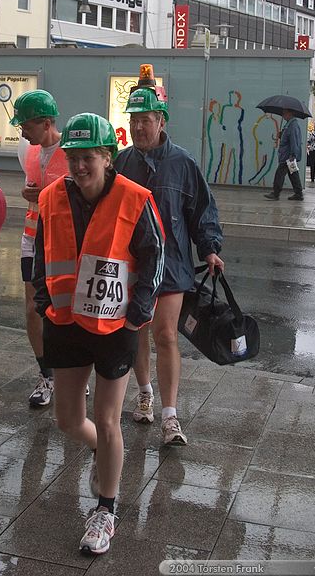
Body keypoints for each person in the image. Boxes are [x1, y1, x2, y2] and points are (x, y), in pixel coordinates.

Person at [34, 113, 164, 555]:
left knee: (108, 419)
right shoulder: (53, 196)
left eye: (88, 157)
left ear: (107, 157)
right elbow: (40, 253)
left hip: (114, 325)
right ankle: (103, 455)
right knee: (69, 420)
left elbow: (153, 258)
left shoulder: (134, 198)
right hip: (66, 321)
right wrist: (41, 302)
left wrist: (137, 315)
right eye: (72, 157)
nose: (78, 166)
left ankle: (106, 510)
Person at [114, 83, 224, 446]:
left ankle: (170, 416)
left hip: (173, 264)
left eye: (144, 120)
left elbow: (202, 211)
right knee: (135, 331)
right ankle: (144, 392)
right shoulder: (123, 162)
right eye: (133, 120)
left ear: (161, 122)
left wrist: (209, 248)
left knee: (165, 334)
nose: (138, 128)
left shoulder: (183, 163)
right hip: (131, 264)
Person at [10, 89, 69, 408]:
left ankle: (72, 372)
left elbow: (83, 194)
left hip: (62, 242)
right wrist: (29, 192)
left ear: (46, 123)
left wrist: (42, 194)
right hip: (32, 237)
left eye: (27, 126)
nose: (22, 132)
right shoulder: (30, 151)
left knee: (63, 308)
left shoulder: (73, 151)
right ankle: (46, 374)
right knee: (33, 307)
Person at [264, 109, 304, 201]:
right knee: (293, 173)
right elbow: (288, 138)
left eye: (284, 113)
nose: (283, 115)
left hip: (288, 155)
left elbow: (294, 140)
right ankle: (298, 193)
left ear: (290, 113)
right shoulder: (289, 124)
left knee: (280, 173)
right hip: (287, 154)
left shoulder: (293, 125)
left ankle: (276, 193)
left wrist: (293, 154)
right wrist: (281, 135)